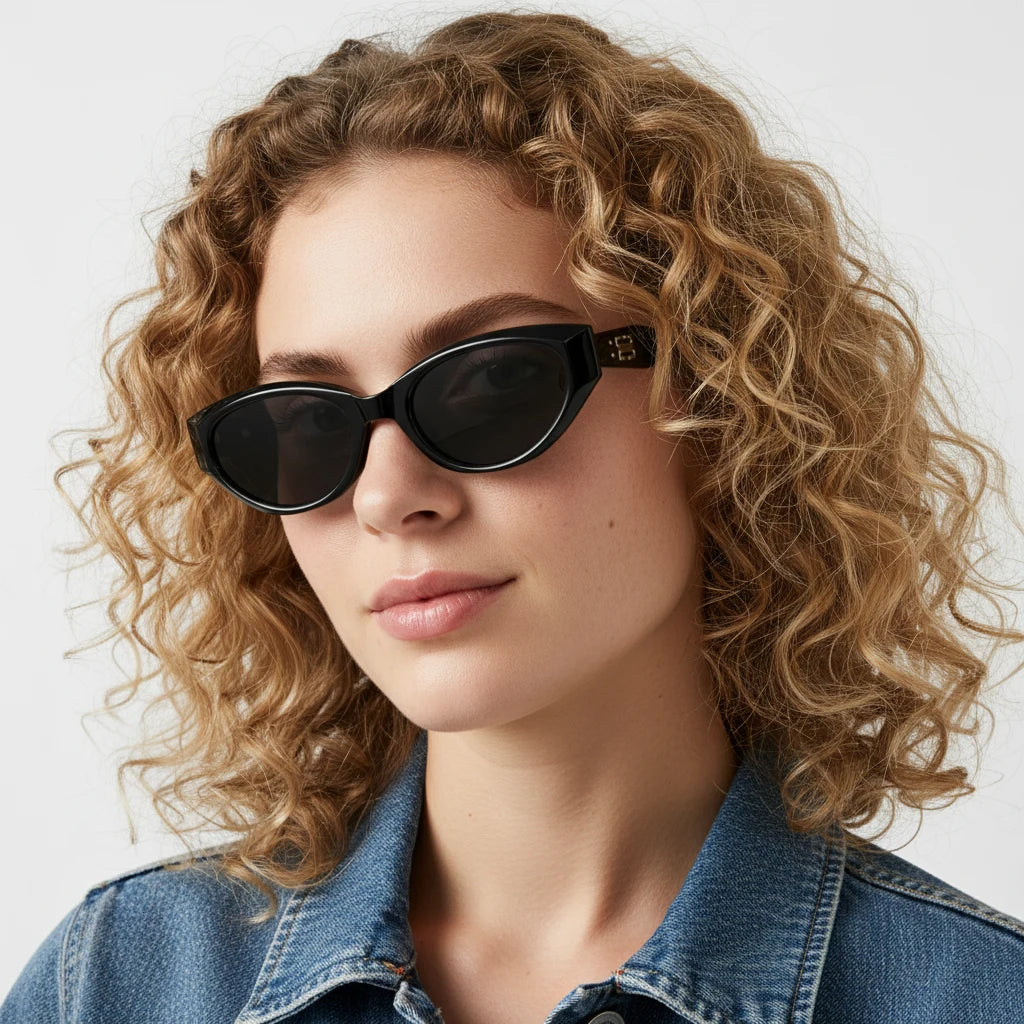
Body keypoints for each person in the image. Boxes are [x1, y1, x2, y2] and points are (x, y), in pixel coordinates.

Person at [4, 9, 1024, 1023]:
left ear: (720, 396)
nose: (387, 495)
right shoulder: (118, 985)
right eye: (307, 425)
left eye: (490, 384)